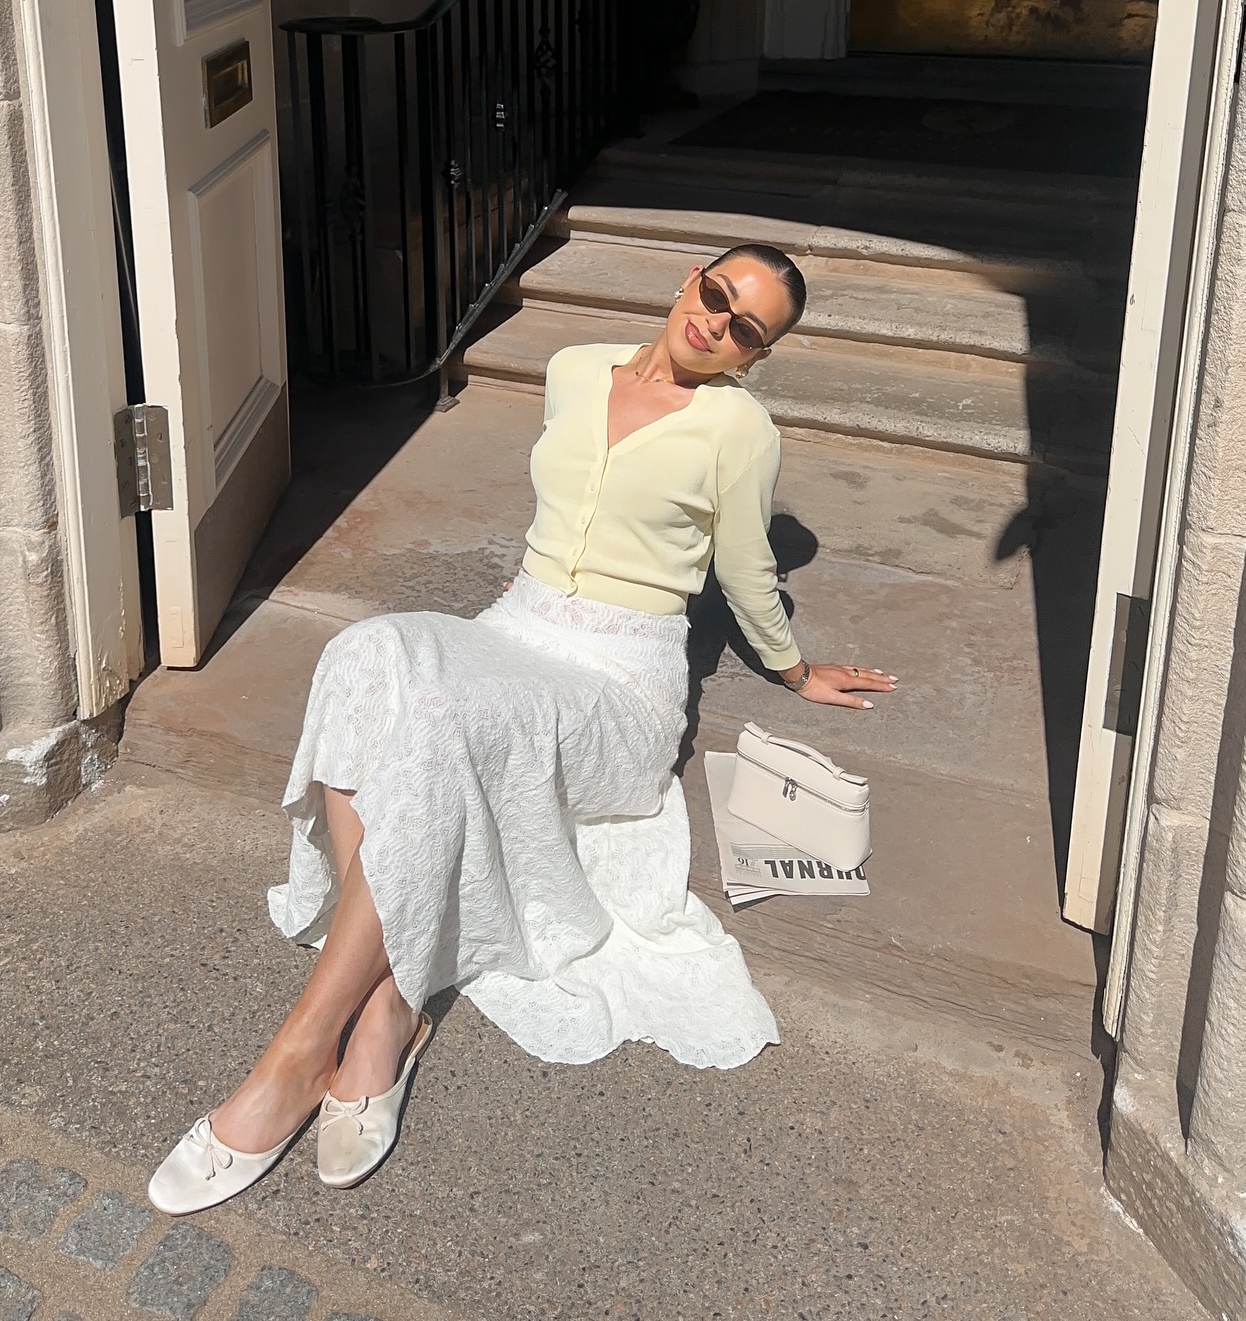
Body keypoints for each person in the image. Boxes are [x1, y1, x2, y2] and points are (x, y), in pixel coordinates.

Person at [148, 245, 896, 1214]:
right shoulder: (575, 368)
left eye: (746, 327)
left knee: (432, 720)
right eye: (718, 293)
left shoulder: (739, 431)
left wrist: (794, 667)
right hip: (524, 624)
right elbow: (562, 505)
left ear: (756, 356)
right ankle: (389, 1004)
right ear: (688, 279)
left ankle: (297, 1052)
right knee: (366, 658)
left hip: (619, 681)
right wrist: (511, 611)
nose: (718, 322)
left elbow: (747, 569)